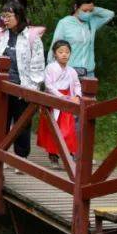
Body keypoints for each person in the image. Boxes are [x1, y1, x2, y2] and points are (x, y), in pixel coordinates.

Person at [0, 0, 44, 171]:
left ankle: (21, 159)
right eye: (3, 16)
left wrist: (34, 88)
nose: (5, 19)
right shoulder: (0, 35)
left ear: (19, 16)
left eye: (9, 16)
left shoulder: (32, 37)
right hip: (2, 87)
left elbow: (38, 64)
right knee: (1, 123)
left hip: (23, 87)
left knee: (22, 124)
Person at [37, 40, 82, 168]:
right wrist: (61, 96)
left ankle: (69, 154)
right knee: (54, 130)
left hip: (67, 101)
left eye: (67, 52)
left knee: (68, 131)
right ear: (55, 54)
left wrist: (77, 96)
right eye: (61, 52)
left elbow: (77, 84)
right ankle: (53, 156)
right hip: (55, 101)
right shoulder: (50, 68)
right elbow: (49, 85)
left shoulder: (72, 71)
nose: (64, 54)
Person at [47, 0, 114, 78]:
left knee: (88, 92)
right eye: (84, 11)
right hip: (68, 73)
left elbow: (110, 14)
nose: (88, 14)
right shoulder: (64, 23)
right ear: (76, 7)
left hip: (89, 73)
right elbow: (54, 48)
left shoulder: (92, 22)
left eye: (90, 11)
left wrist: (93, 9)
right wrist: (52, 71)